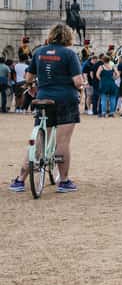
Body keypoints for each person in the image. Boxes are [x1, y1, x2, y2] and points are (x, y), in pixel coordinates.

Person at [8, 23, 84, 193]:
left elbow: (29, 77)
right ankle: (64, 181)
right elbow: (78, 81)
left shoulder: (39, 52)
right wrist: (82, 86)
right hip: (65, 98)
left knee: (39, 140)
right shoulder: (69, 54)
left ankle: (20, 180)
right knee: (63, 142)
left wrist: (33, 85)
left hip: (43, 97)